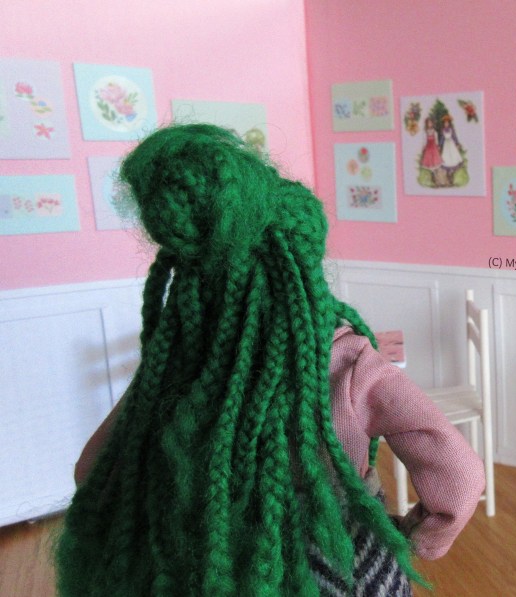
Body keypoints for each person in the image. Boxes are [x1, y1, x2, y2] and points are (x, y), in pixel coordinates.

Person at [55, 123, 485, 597]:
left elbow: (93, 466)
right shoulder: (348, 363)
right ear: (301, 268)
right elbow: (459, 477)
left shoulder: (181, 363)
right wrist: (419, 537)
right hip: (338, 555)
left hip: (214, 559)